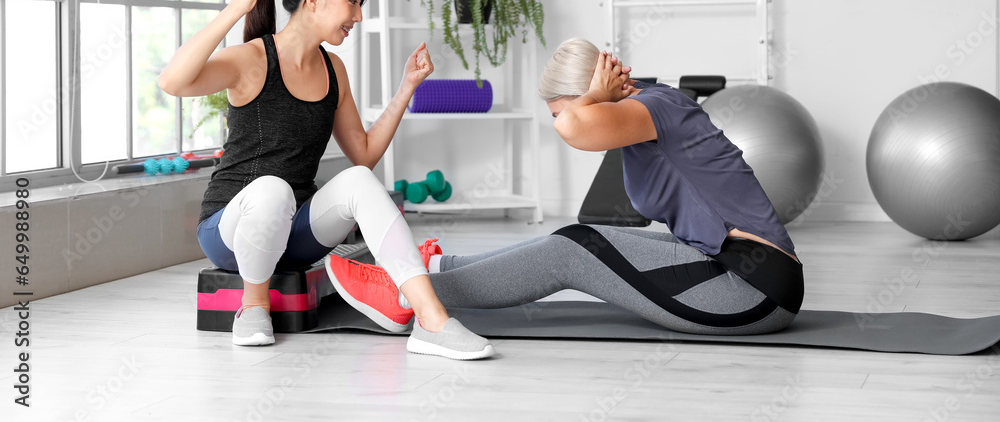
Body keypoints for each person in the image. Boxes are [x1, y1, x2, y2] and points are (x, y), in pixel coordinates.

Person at [327, 38, 804, 336]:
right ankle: (434, 265)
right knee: (577, 238)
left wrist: (593, 97)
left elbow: (574, 128)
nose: (558, 120)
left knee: (574, 248)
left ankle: (410, 292)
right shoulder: (647, 112)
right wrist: (594, 99)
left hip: (752, 289)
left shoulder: (658, 108)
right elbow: (577, 122)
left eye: (560, 108)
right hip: (731, 270)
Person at [158, 0, 494, 359]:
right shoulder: (251, 60)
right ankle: (253, 305)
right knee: (272, 189)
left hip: (295, 232)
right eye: (352, 2)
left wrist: (407, 87)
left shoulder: (333, 69)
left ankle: (432, 321)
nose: (357, 16)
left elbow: (364, 154)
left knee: (359, 180)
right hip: (229, 229)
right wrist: (234, 9)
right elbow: (172, 82)